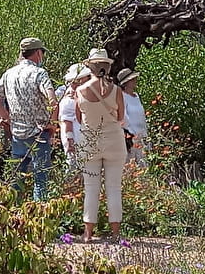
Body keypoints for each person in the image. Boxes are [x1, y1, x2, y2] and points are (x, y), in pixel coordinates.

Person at [0, 37, 57, 201]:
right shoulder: (39, 73)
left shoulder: (9, 74)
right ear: (37, 53)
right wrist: (53, 124)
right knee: (41, 180)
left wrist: (8, 118)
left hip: (17, 134)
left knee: (16, 181)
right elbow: (52, 99)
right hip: (38, 133)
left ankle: (15, 217)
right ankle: (39, 217)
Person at [75, 48, 127, 243]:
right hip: (114, 140)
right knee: (114, 187)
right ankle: (115, 233)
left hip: (90, 141)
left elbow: (79, 118)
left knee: (91, 188)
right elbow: (121, 117)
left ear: (90, 67)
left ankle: (88, 233)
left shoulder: (80, 91)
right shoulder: (116, 90)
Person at [58, 63, 91, 171]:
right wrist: (70, 139)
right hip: (74, 135)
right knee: (73, 164)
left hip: (82, 134)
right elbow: (67, 122)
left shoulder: (78, 94)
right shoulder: (68, 99)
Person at [117, 68, 148, 167]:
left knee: (144, 164)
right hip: (131, 137)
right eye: (132, 79)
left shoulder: (136, 96)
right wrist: (131, 134)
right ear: (126, 82)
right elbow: (123, 117)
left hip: (142, 135)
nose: (135, 81)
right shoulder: (122, 97)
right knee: (131, 164)